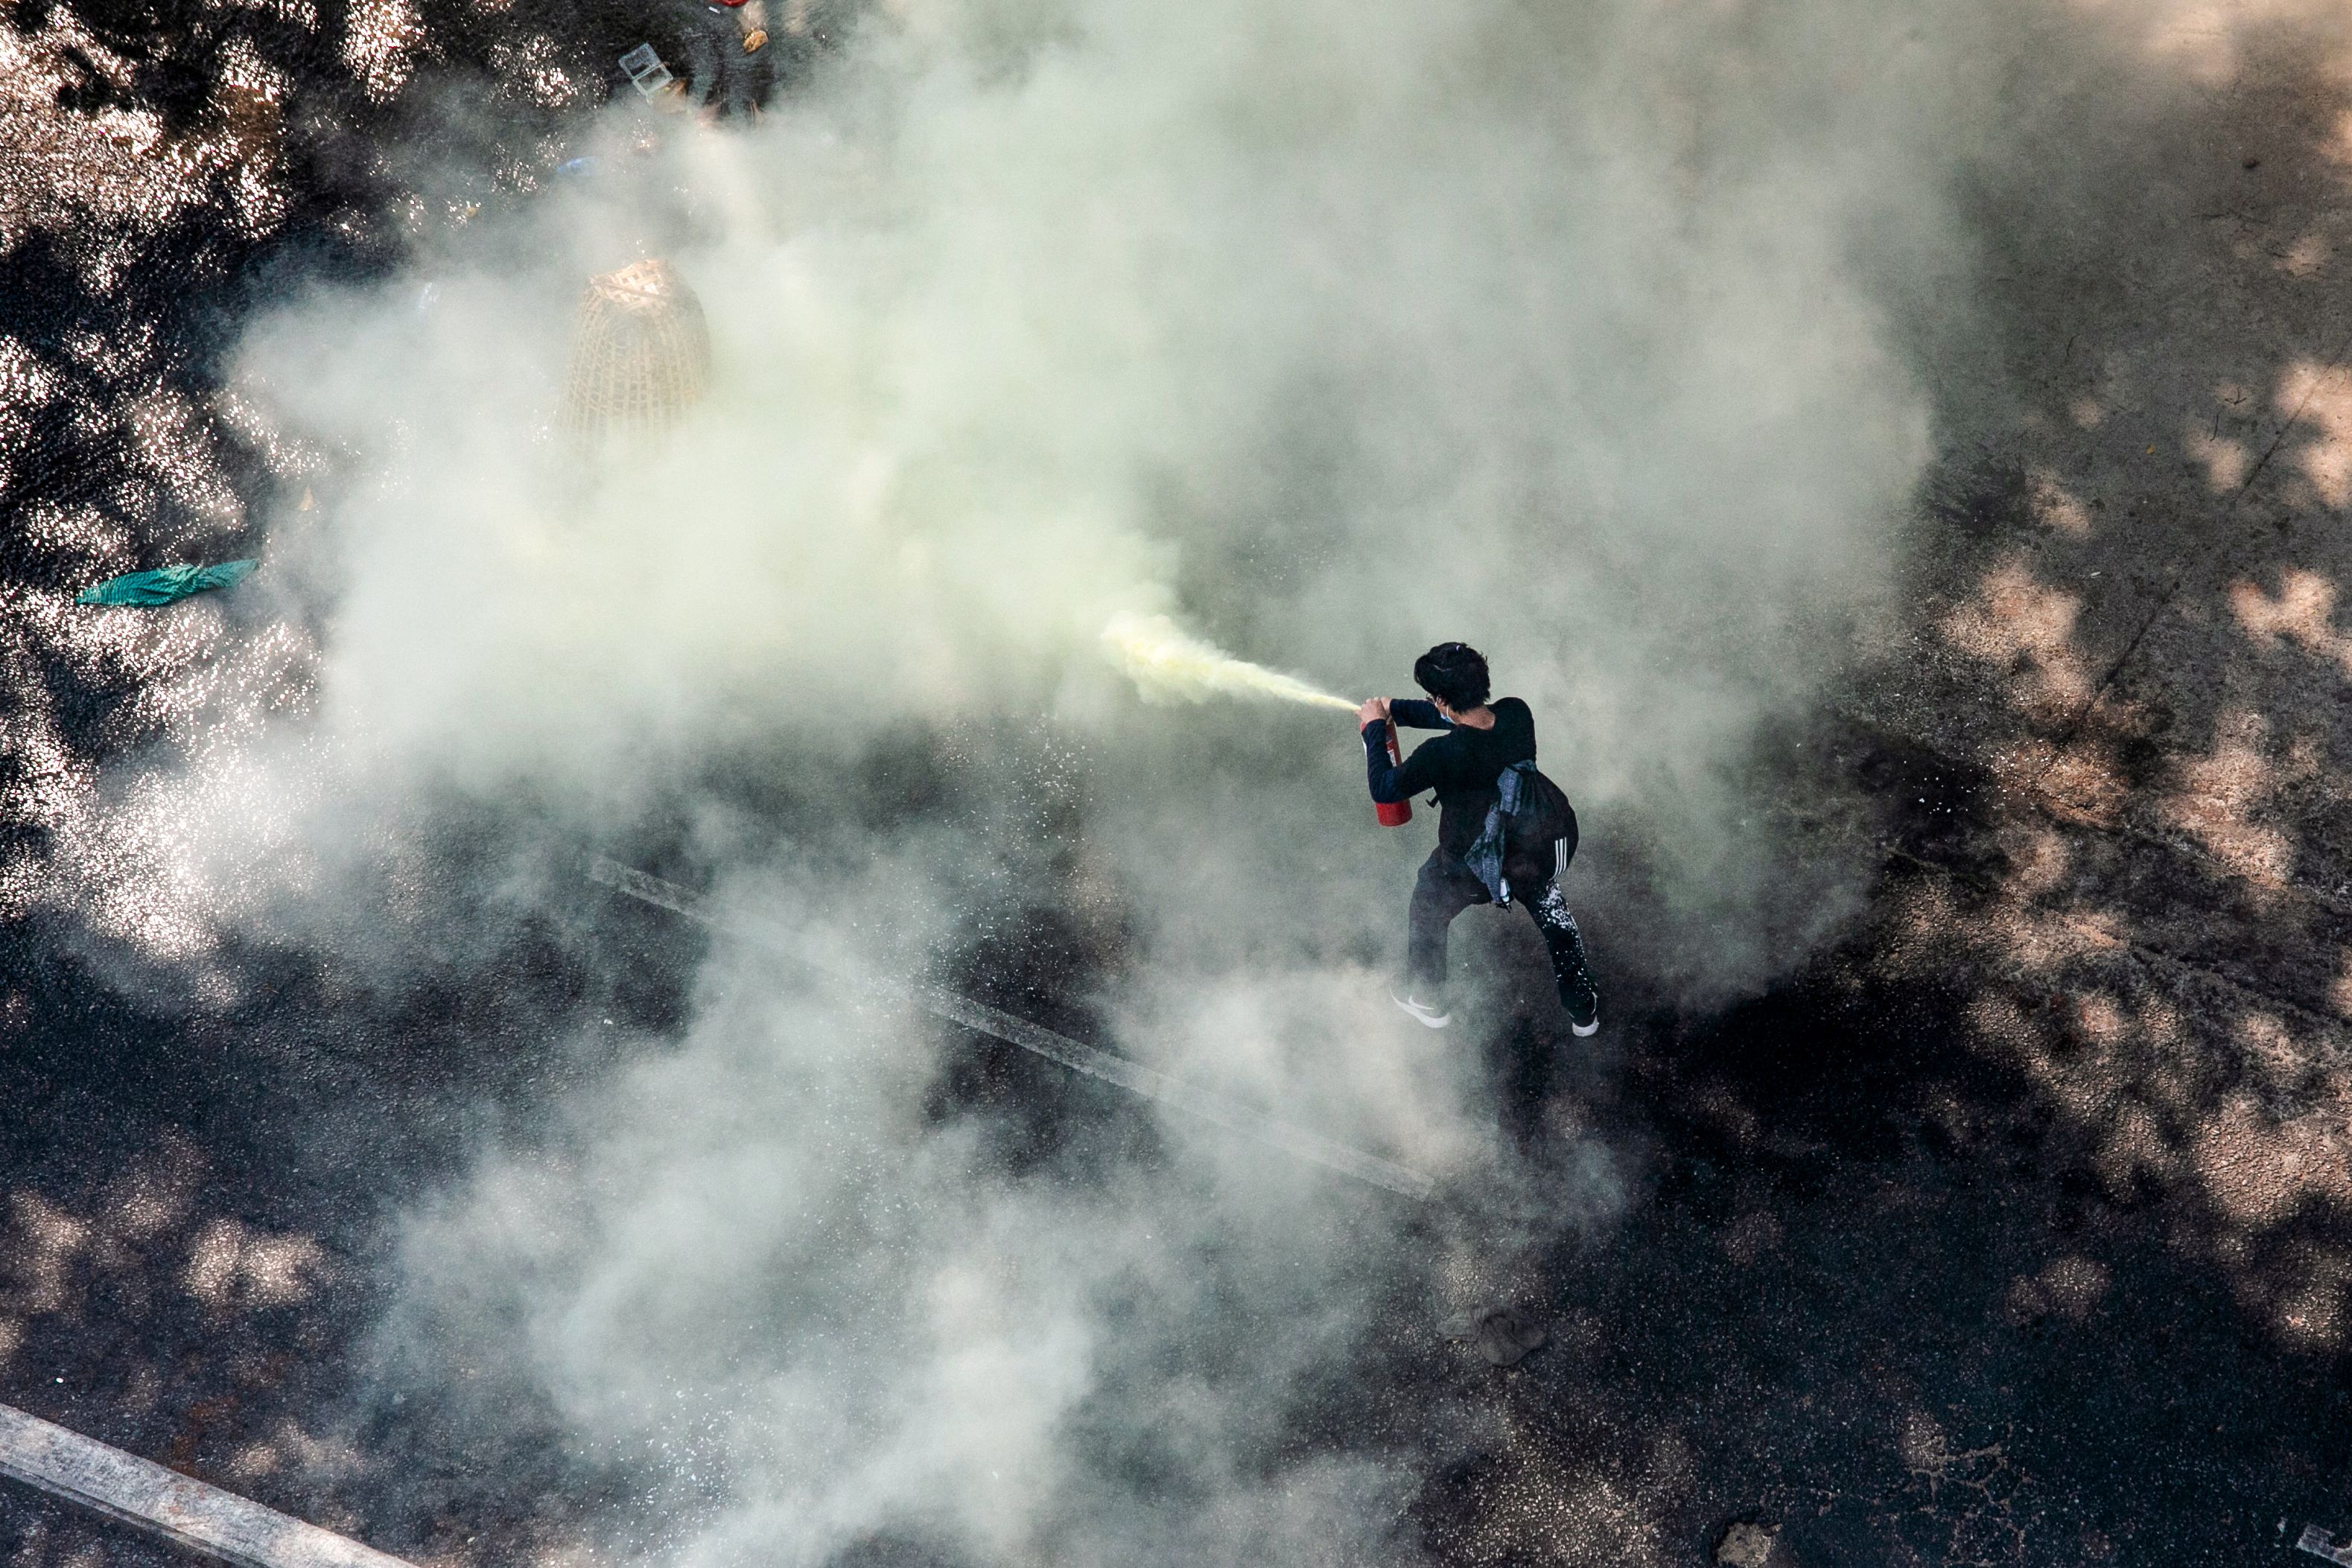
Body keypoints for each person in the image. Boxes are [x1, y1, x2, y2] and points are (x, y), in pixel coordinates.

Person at [1358, 643, 1600, 1036]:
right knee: (1556, 919)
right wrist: (1395, 710)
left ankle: (1428, 1000)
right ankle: (1584, 1011)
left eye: (1432, 698)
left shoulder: (1440, 754)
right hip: (1531, 851)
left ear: (1440, 699)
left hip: (1470, 868)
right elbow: (1462, 720)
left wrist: (1373, 729)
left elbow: (1384, 788)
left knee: (1428, 902)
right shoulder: (1517, 714)